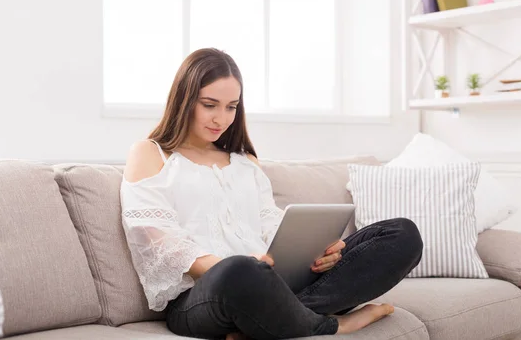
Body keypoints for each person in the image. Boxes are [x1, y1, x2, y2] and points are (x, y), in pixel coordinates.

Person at [120, 48, 424, 340]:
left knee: (401, 234)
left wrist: (316, 252)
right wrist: (239, 267)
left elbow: (269, 224)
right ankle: (332, 325)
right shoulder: (151, 154)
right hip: (206, 295)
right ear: (184, 99)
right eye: (209, 105)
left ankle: (272, 321)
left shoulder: (245, 162)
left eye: (231, 107)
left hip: (271, 282)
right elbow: (159, 242)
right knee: (240, 269)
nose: (221, 119)